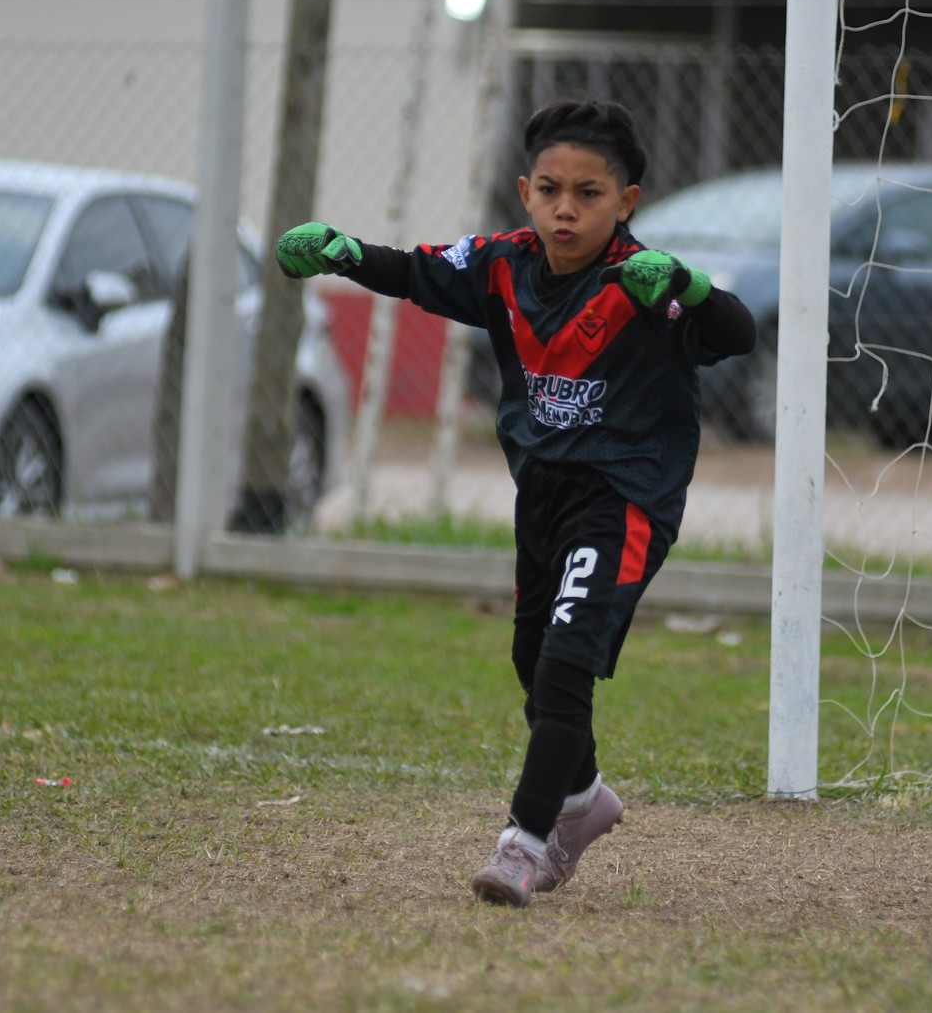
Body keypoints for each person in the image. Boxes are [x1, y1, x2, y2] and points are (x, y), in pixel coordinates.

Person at [274, 98, 756, 908]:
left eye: (590, 193)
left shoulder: (641, 280)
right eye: (549, 189)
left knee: (566, 662)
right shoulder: (501, 263)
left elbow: (734, 331)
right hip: (543, 496)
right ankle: (586, 796)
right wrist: (345, 252)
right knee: (531, 662)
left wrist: (688, 283)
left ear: (626, 202)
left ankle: (524, 844)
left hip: (624, 500)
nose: (565, 208)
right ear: (525, 189)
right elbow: (415, 271)